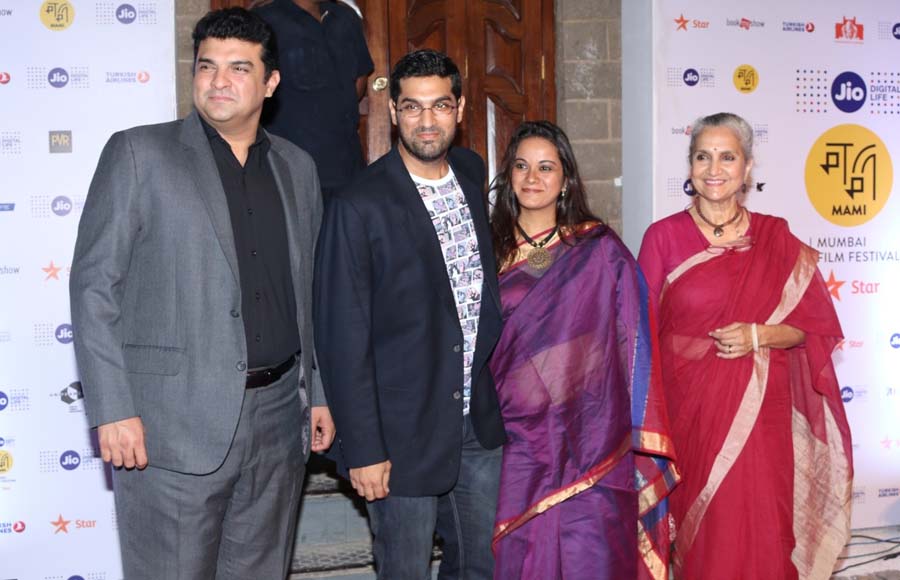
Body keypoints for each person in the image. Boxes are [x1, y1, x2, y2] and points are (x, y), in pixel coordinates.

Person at [69, 8, 334, 579]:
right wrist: (113, 408)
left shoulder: (298, 168)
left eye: (239, 68)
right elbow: (94, 288)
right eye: (208, 65)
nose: (219, 81)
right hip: (170, 425)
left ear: (270, 83)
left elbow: (310, 294)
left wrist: (318, 392)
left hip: (277, 420)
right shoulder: (140, 155)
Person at [314, 49, 505, 580]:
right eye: (412, 107)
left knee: (477, 567)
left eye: (440, 105)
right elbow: (341, 338)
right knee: (405, 569)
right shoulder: (358, 205)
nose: (427, 121)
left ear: (460, 108)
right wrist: (365, 448)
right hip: (399, 435)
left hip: (474, 424)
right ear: (393, 112)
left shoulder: (469, 174)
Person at [637, 112, 852, 579]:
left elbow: (812, 327)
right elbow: (639, 334)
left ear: (748, 167)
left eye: (727, 156)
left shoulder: (775, 236)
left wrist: (759, 334)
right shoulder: (663, 238)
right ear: (690, 166)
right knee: (705, 539)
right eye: (703, 156)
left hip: (761, 416)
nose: (715, 169)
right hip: (688, 415)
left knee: (760, 527)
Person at [488, 121, 679, 580]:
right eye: (521, 166)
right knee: (519, 554)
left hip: (590, 436)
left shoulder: (598, 250)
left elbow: (633, 340)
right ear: (509, 175)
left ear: (566, 178)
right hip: (513, 440)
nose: (532, 177)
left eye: (546, 167)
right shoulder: (486, 249)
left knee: (588, 554)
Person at [253, 0, 373, 197]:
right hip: (292, 168)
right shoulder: (265, 19)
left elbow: (359, 78)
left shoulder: (345, 18)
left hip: (347, 165)